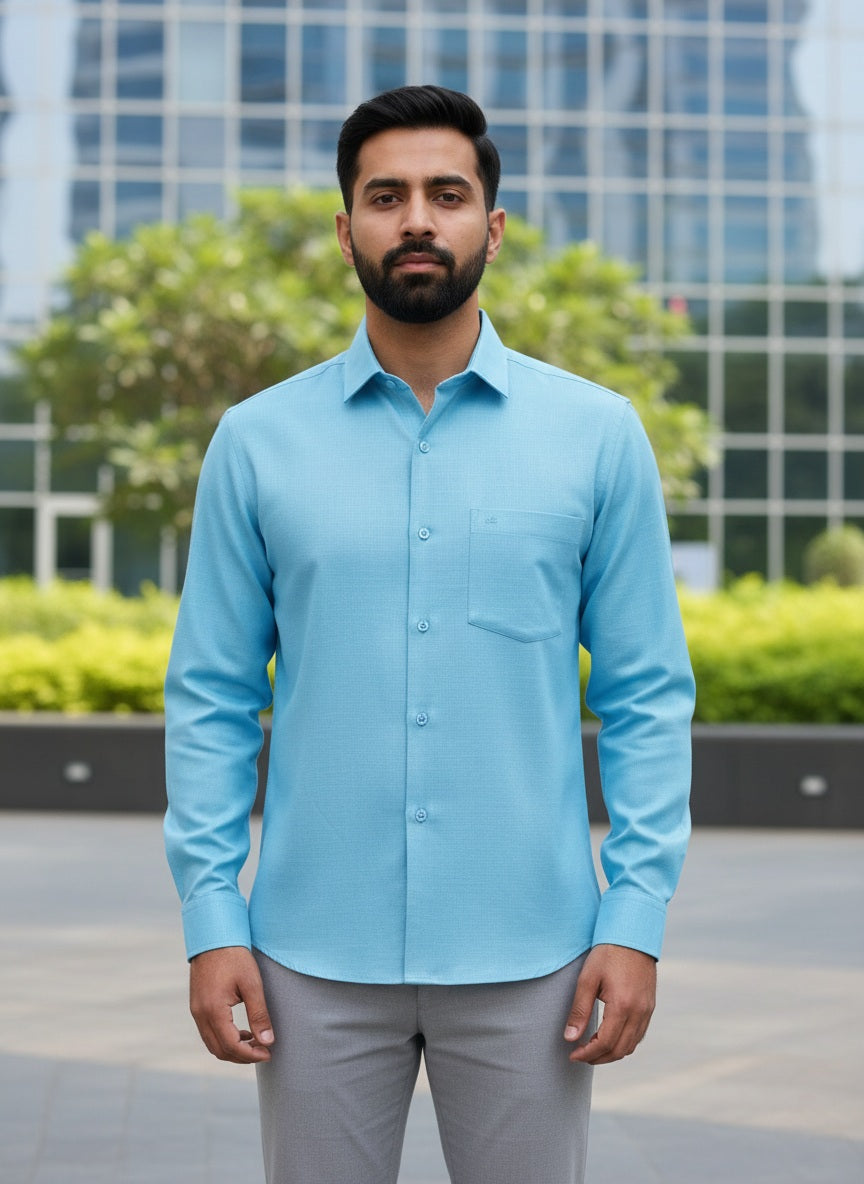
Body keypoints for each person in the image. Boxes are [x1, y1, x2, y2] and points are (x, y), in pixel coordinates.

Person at [164, 85, 694, 1184]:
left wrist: (635, 914)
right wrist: (213, 916)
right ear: (345, 227)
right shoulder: (256, 442)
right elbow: (211, 695)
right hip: (308, 952)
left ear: (490, 228)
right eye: (386, 196)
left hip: (535, 954)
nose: (417, 219)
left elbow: (646, 693)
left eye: (446, 195)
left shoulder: (596, 435)